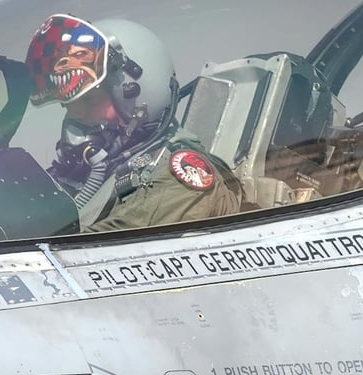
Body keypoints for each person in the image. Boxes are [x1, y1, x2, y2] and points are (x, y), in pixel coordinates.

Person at [25, 13, 242, 232]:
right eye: (67, 105)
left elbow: (88, 250)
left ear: (138, 96)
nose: (75, 115)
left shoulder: (175, 181)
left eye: (89, 100)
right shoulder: (104, 169)